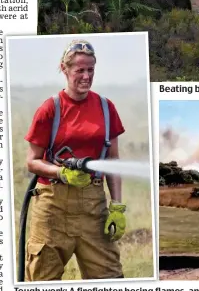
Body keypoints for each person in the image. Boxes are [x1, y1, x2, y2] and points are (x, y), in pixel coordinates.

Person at [24, 40, 126, 281]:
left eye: (90, 69)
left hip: (93, 206)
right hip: (52, 207)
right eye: (80, 70)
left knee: (110, 278)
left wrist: (117, 206)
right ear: (64, 69)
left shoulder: (105, 107)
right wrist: (61, 173)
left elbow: (113, 162)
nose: (86, 76)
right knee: (42, 279)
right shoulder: (50, 108)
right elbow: (32, 162)